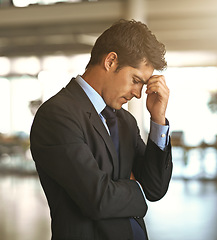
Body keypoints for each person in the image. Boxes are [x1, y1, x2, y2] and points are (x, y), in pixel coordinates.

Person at [30, 19, 173, 240]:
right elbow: (99, 200)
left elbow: (154, 188)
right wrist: (136, 188)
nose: (138, 93)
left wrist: (158, 119)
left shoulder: (126, 121)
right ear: (111, 61)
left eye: (142, 85)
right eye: (135, 80)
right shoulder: (57, 115)